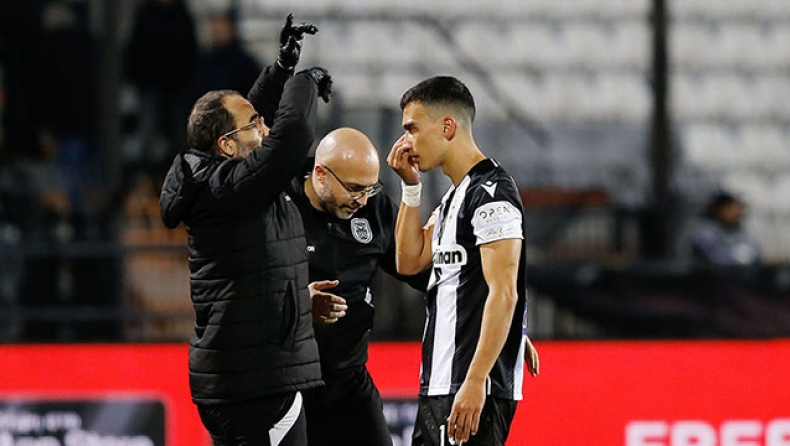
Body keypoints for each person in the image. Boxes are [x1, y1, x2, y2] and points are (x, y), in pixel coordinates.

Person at [158, 15, 333, 445]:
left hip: (239, 375)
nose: (264, 127)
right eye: (256, 124)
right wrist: (304, 83)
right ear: (226, 146)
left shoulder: (216, 179)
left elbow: (250, 121)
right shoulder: (230, 187)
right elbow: (291, 137)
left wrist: (281, 69)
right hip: (258, 382)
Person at [387, 76, 536, 445]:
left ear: (447, 127)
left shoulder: (491, 194)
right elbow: (408, 261)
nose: (406, 142)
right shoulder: (454, 197)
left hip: (470, 388)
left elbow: (505, 292)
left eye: (412, 128)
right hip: (441, 384)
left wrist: (475, 380)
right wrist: (410, 187)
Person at [287, 127, 429, 446]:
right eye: (353, 189)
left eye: (369, 188)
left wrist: (497, 315)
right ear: (320, 174)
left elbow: (426, 274)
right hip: (285, 382)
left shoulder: (374, 209)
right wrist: (299, 302)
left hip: (348, 379)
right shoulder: (278, 206)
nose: (362, 200)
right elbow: (240, 287)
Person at [690, 191, 762, 266]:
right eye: (731, 208)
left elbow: (757, 253)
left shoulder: (741, 231)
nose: (736, 212)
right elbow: (719, 259)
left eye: (737, 208)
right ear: (719, 209)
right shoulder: (704, 232)